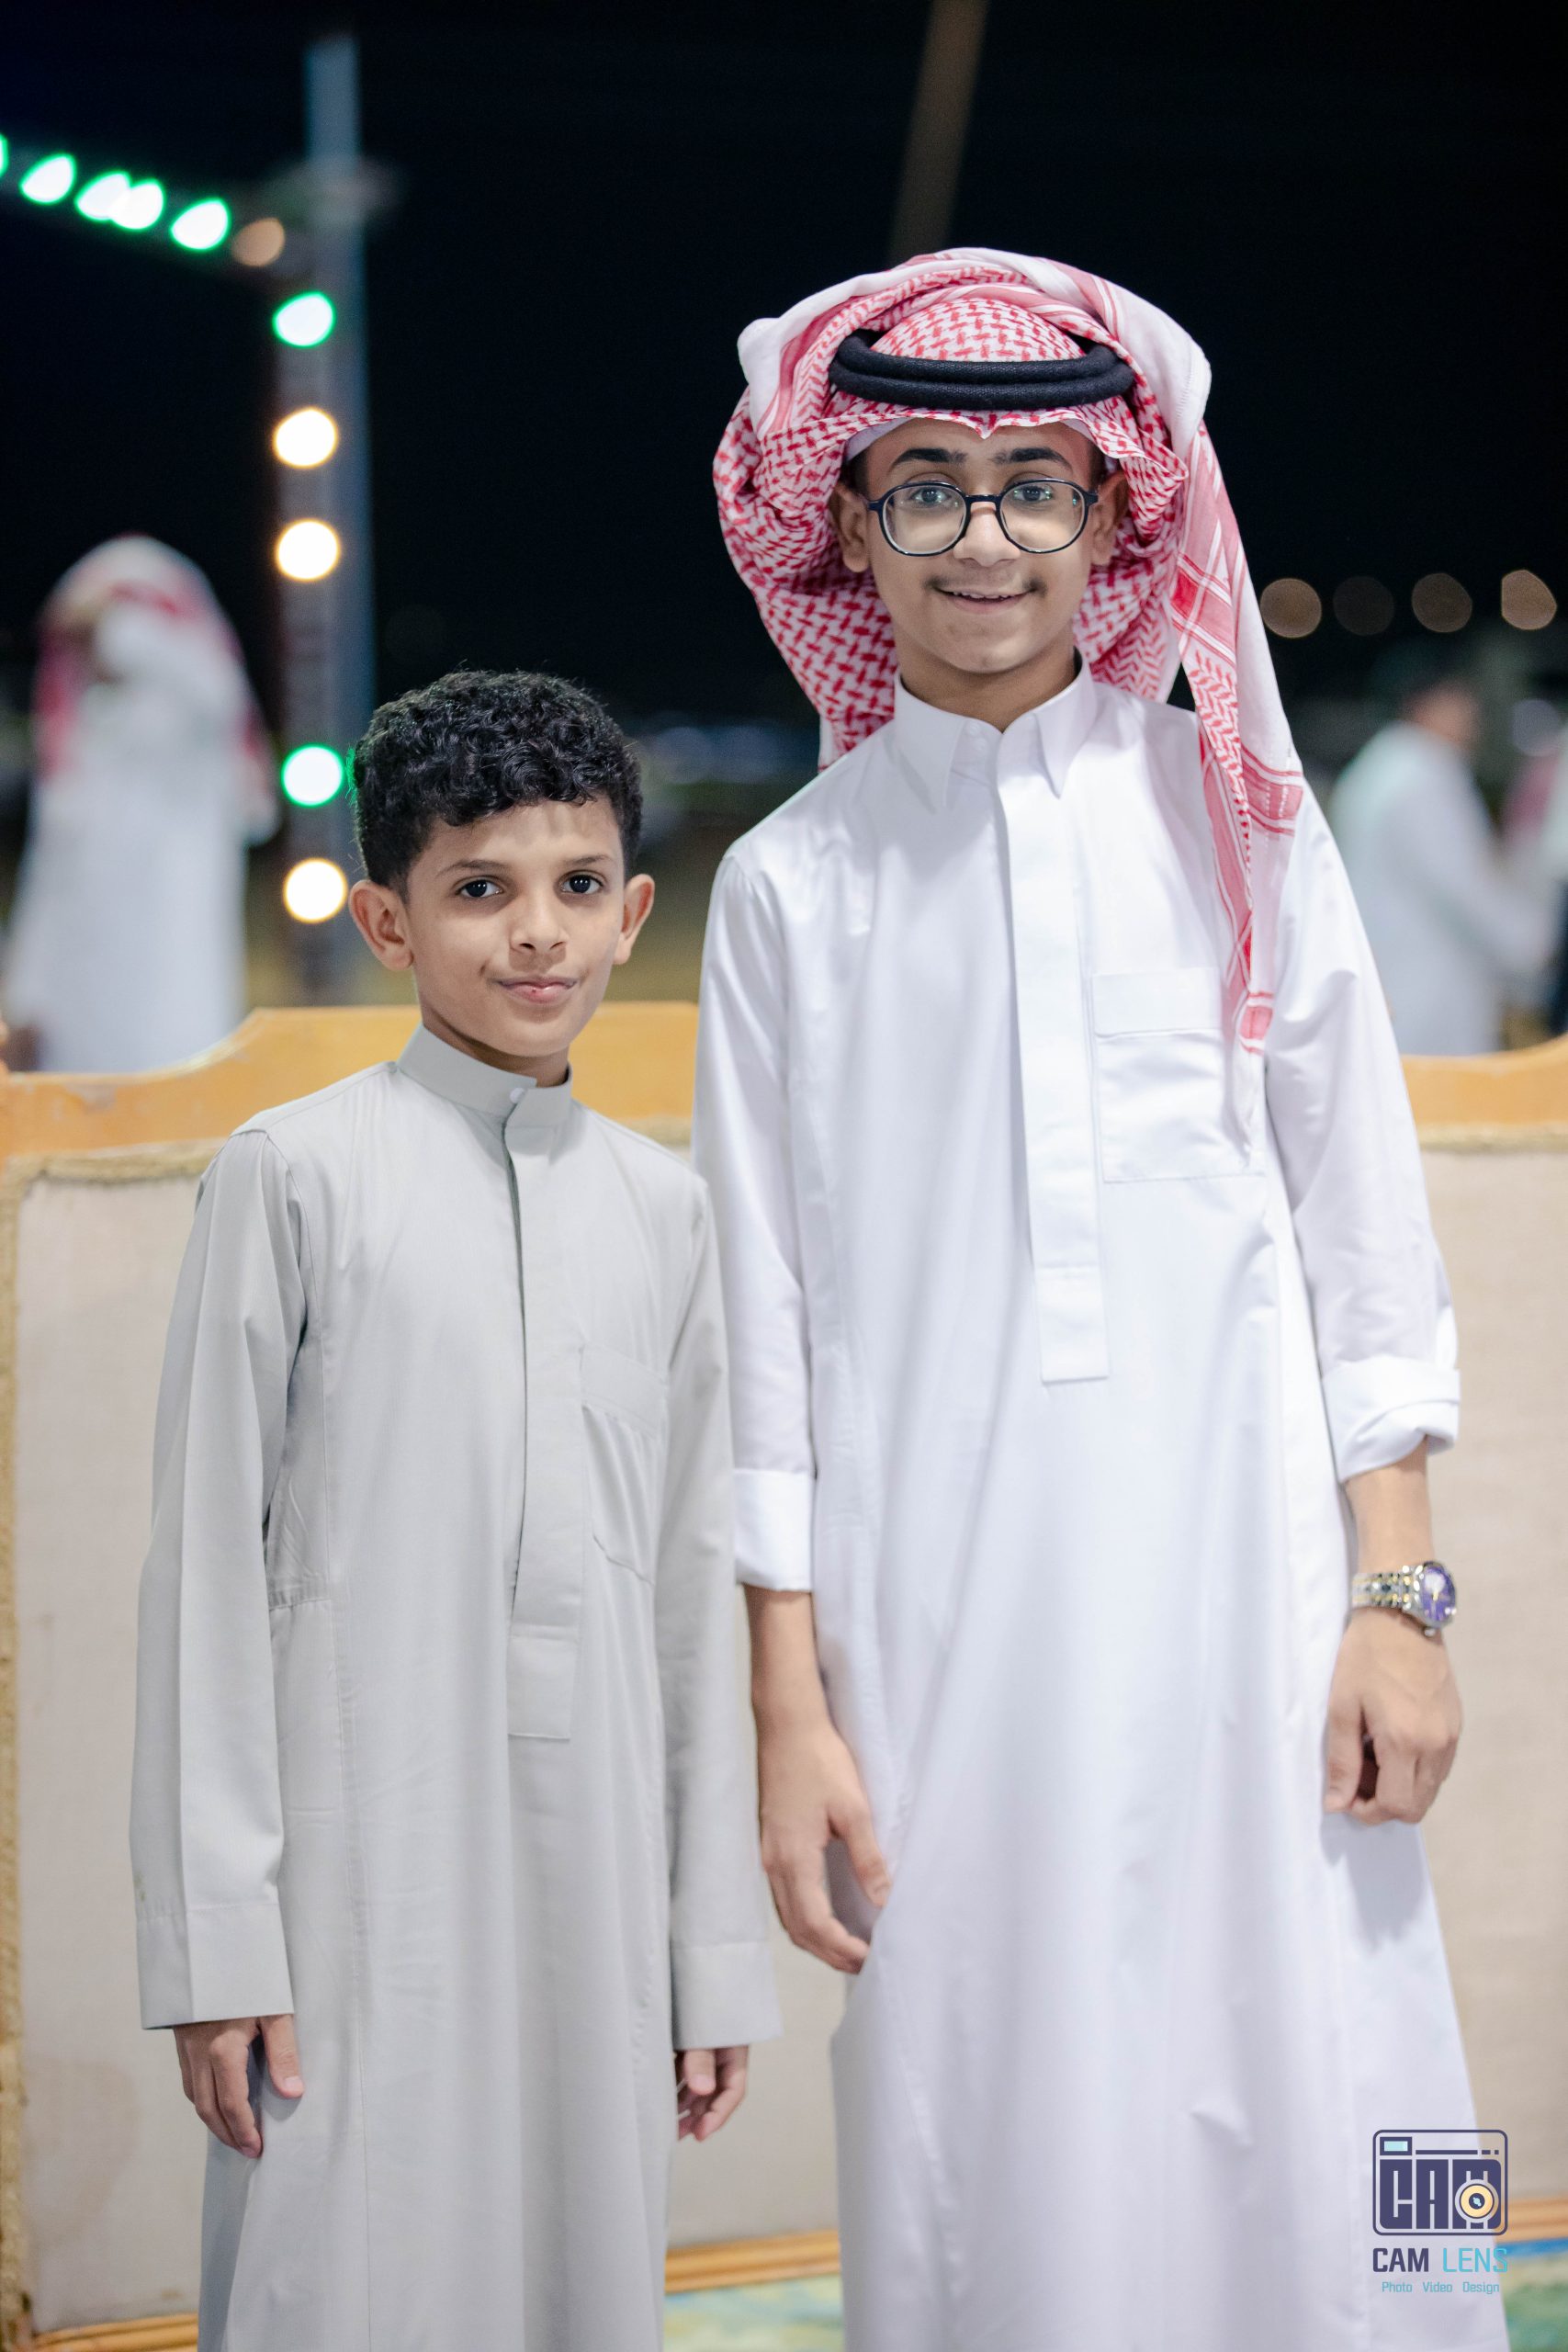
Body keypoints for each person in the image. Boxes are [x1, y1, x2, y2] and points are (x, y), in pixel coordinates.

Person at [694, 250, 1504, 2350]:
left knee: (1337, 2066)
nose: (980, 537)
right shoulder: (787, 885)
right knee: (981, 2111)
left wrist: (1397, 1605)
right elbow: (763, 1336)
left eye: (1031, 484)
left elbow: (1360, 1231)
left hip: (1260, 1594)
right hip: (930, 1624)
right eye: (924, 486)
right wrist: (786, 1712)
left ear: (1115, 512)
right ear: (844, 523)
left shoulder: (1234, 826)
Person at [130, 670, 781, 2351]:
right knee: (340, 2269)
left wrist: (709, 1952)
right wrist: (218, 1946)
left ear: (634, 913)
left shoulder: (665, 1214)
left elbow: (690, 1601)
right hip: (348, 1891)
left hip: (596, 1882)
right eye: (479, 888)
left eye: (577, 885)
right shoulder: (292, 1175)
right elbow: (205, 1586)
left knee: (576, 2272)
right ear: (387, 923)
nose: (537, 933)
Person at [2, 536, 277, 1073]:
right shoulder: (84, 739)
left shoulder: (186, 737)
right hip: (80, 1038)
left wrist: (117, 625)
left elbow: (213, 688)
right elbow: (49, 883)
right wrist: (24, 997)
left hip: (173, 1030)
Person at [1331, 650, 1554, 1053]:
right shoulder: (1424, 774)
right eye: (1461, 701)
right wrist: (1540, 945)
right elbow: (1466, 885)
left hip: (1392, 971)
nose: (1473, 715)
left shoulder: (1381, 764)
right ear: (1425, 704)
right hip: (1424, 986)